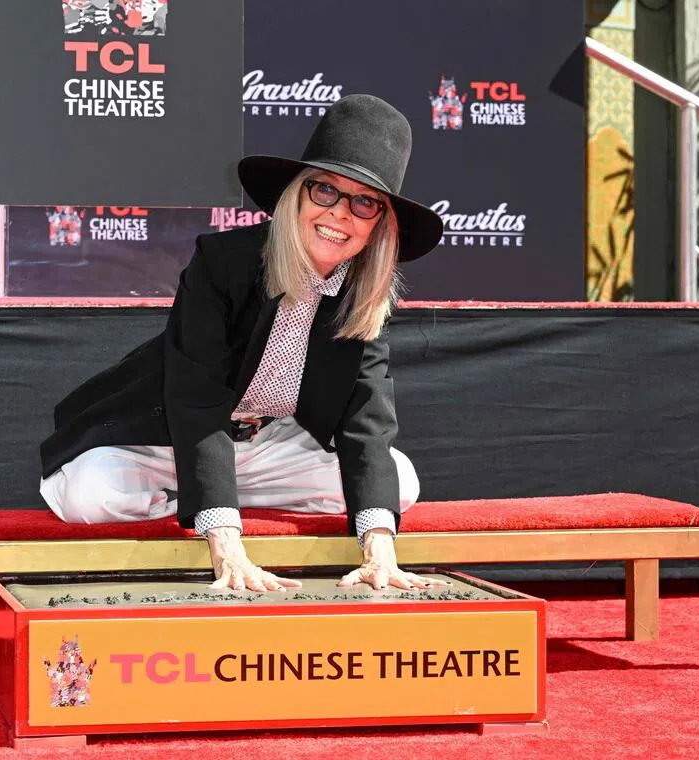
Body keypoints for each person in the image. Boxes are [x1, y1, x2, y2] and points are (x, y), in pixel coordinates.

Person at [39, 94, 447, 593]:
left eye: (365, 202)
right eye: (325, 190)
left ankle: (213, 495)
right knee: (89, 493)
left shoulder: (362, 294)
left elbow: (367, 421)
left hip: (269, 444)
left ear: (378, 224)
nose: (341, 214)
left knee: (398, 484)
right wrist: (226, 543)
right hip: (173, 436)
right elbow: (195, 397)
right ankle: (210, 497)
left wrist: (379, 550)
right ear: (296, 195)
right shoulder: (223, 262)